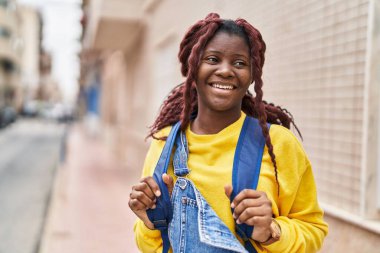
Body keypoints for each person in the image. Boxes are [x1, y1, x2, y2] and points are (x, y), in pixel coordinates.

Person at [129, 13, 328, 253]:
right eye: (212, 59)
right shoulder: (165, 144)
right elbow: (150, 246)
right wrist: (150, 222)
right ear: (193, 68)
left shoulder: (277, 144)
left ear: (252, 75)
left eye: (240, 63)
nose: (225, 70)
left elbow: (312, 230)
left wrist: (272, 231)